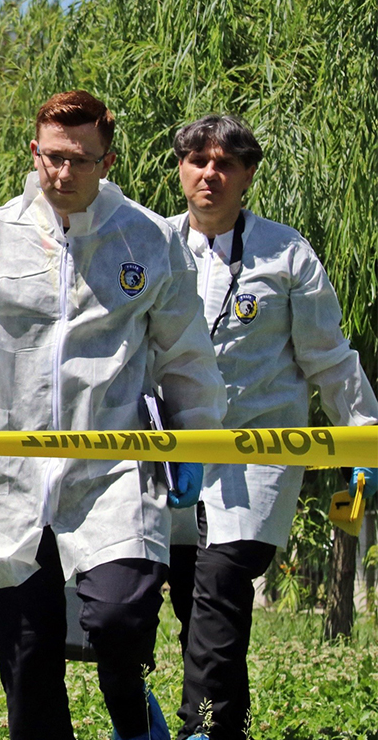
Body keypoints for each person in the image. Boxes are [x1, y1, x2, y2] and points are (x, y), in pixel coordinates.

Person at [0, 90, 227, 740]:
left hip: (114, 475)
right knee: (26, 666)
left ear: (107, 160)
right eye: (52, 158)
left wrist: (194, 439)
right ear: (35, 152)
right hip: (9, 477)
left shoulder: (150, 241)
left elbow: (186, 355)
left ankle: (134, 718)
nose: (63, 174)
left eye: (80, 160)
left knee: (118, 620)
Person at [165, 115, 378, 740]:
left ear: (248, 174)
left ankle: (197, 732)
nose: (212, 174)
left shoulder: (286, 254)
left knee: (221, 585)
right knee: (197, 604)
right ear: (180, 168)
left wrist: (363, 436)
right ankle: (227, 725)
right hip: (170, 456)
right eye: (198, 161)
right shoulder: (148, 246)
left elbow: (330, 358)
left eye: (226, 163)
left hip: (255, 457)